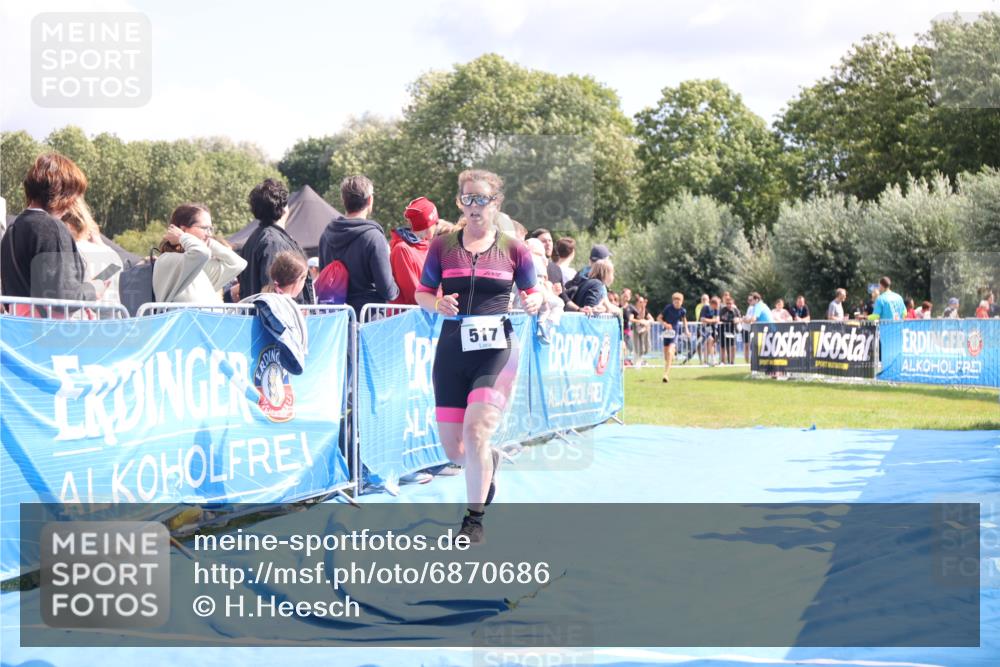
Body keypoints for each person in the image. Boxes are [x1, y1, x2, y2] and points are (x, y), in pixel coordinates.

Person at [414, 169, 541, 544]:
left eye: (481, 199)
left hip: (496, 351)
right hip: (452, 349)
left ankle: (473, 520)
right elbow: (422, 293)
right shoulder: (442, 247)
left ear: (495, 203)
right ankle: (490, 462)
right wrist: (437, 303)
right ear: (459, 203)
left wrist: (534, 300)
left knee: (476, 431)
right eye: (467, 199)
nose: (474, 206)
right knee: (456, 451)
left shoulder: (514, 248)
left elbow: (536, 293)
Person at [1, 153, 103, 304]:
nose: (72, 203)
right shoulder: (52, 228)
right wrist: (94, 289)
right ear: (64, 191)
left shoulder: (11, 230)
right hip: (48, 326)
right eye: (74, 194)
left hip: (17, 324)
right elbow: (64, 299)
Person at [318, 175, 399, 316]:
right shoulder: (374, 238)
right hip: (368, 321)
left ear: (343, 200)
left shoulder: (325, 236)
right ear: (370, 200)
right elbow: (387, 290)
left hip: (336, 320)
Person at [153, 203, 247, 303]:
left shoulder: (198, 263)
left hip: (206, 318)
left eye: (211, 229)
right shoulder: (167, 259)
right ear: (183, 230)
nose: (210, 234)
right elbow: (201, 253)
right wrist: (182, 237)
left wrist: (208, 241)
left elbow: (238, 264)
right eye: (204, 228)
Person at [239, 178, 313, 304]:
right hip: (277, 319)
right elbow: (272, 291)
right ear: (284, 208)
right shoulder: (273, 243)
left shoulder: (254, 239)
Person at [62, 197, 122, 306]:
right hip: (114, 319)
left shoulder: (72, 253)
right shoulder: (112, 255)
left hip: (85, 319)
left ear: (68, 225)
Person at [390, 197, 438, 305]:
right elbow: (414, 295)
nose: (437, 225)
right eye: (435, 222)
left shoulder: (428, 248)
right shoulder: (402, 250)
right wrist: (438, 303)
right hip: (407, 319)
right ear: (427, 225)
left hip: (427, 314)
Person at [657, 293, 687, 383]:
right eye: (675, 301)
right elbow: (659, 318)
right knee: (667, 356)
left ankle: (666, 375)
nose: (677, 302)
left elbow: (684, 321)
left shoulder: (683, 311)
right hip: (666, 333)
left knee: (670, 352)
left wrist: (687, 330)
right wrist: (665, 324)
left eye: (679, 301)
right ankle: (671, 357)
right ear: (673, 301)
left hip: (675, 333)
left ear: (682, 302)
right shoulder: (668, 308)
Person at [718, 293, 741, 365]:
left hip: (732, 330)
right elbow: (722, 318)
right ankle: (723, 361)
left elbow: (739, 318)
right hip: (723, 330)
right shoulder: (722, 310)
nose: (729, 305)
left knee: (733, 346)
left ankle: (732, 361)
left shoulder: (735, 310)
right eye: (727, 303)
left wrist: (737, 320)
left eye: (730, 303)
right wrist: (732, 320)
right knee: (723, 346)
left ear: (733, 303)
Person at [632, 294, 654, 366]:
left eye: (643, 302)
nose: (642, 303)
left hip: (644, 330)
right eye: (640, 302)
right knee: (638, 349)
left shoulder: (645, 310)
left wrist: (647, 322)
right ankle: (637, 362)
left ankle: (640, 361)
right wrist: (641, 321)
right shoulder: (633, 310)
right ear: (637, 303)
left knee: (646, 348)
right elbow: (640, 317)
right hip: (636, 331)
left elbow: (651, 319)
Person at [699, 296, 720, 365]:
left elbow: (717, 319)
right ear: (713, 304)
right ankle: (709, 360)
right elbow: (702, 319)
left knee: (712, 343)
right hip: (704, 329)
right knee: (709, 341)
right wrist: (713, 321)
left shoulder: (716, 309)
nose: (718, 306)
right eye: (717, 304)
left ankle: (709, 360)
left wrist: (708, 320)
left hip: (713, 329)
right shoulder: (705, 308)